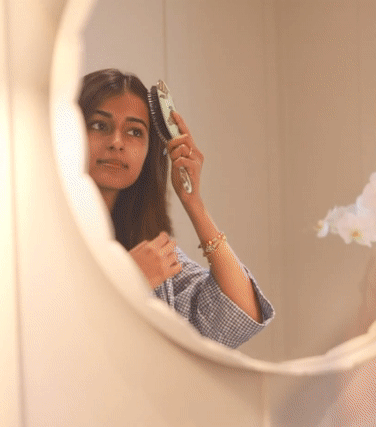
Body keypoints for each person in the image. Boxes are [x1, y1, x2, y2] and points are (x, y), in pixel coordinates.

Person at [78, 69, 274, 348]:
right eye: (99, 125)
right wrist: (128, 278)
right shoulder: (39, 237)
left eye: (134, 131)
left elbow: (241, 311)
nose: (117, 143)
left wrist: (194, 203)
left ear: (149, 151)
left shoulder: (151, 250)